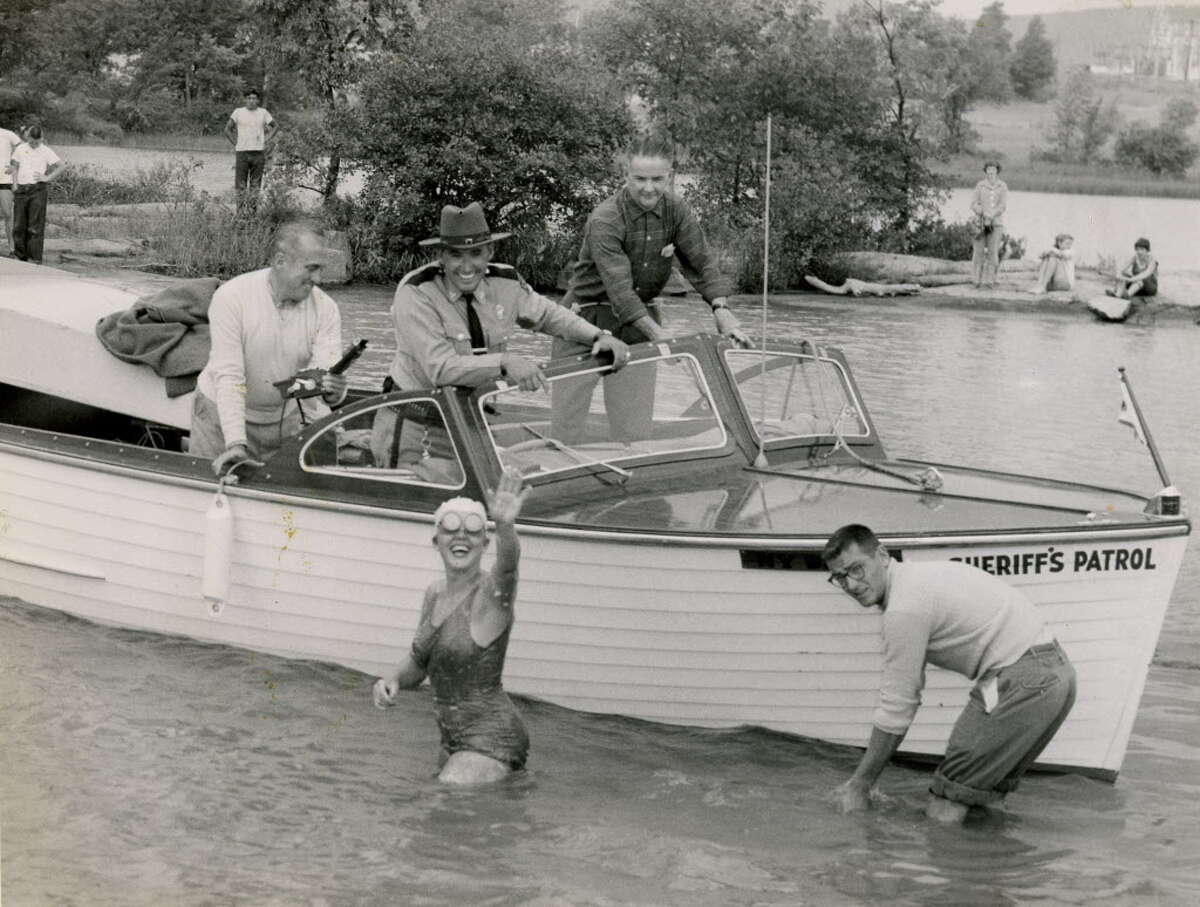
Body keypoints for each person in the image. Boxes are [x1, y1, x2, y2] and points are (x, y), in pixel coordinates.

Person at [822, 524, 1076, 823]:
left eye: (856, 569)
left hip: (1022, 680)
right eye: (839, 577)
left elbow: (899, 705)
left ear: (882, 555)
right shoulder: (922, 577)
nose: (851, 585)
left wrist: (860, 785)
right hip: (1058, 675)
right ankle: (1000, 867)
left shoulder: (904, 607)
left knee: (945, 803)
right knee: (983, 799)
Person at [549, 132, 752, 441]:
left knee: (635, 431)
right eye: (639, 178)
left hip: (637, 327)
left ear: (669, 175)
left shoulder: (677, 210)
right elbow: (620, 292)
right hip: (583, 322)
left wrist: (722, 310)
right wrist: (661, 337)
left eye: (657, 179)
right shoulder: (605, 218)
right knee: (566, 429)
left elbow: (701, 264)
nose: (648, 188)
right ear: (625, 175)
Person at [373, 467, 531, 784]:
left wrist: (505, 526)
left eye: (472, 530)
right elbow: (420, 662)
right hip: (453, 741)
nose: (461, 536)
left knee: (443, 799)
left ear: (485, 544)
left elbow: (508, 569)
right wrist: (393, 679)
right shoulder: (434, 593)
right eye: (451, 528)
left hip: (491, 738)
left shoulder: (490, 596)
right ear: (437, 541)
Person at [384, 201, 630, 393]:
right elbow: (440, 368)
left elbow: (549, 315)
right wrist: (505, 362)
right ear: (441, 256)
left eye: (476, 253)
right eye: (456, 255)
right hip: (416, 414)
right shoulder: (416, 292)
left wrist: (598, 336)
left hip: (473, 412)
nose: (467, 267)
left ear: (490, 252)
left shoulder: (506, 282)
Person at [190, 220, 347, 475]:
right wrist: (235, 443)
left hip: (283, 419)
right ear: (279, 260)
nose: (318, 279)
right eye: (311, 268)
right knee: (209, 494)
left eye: (321, 269)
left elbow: (322, 376)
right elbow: (229, 376)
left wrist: (334, 393)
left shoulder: (326, 308)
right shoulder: (232, 297)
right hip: (219, 417)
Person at [9, 125, 65, 264]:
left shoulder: (46, 151)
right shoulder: (21, 148)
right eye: (31, 141)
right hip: (21, 190)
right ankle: (20, 256)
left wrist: (47, 178)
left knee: (35, 227)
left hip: (37, 190)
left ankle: (34, 258)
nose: (34, 144)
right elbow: (14, 166)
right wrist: (14, 184)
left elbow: (62, 166)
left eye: (37, 142)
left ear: (42, 139)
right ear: (27, 137)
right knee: (18, 225)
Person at [224, 89, 277, 211]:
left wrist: (267, 139)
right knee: (240, 185)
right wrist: (236, 143)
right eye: (249, 98)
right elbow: (227, 129)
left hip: (258, 153)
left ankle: (253, 213)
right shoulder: (238, 112)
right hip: (242, 153)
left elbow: (275, 126)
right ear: (245, 100)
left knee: (255, 185)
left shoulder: (263, 113)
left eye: (254, 98)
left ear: (258, 100)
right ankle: (240, 213)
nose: (252, 101)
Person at [969, 161, 1008, 289]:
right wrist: (982, 212)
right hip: (979, 224)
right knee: (978, 251)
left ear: (997, 171)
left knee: (993, 251)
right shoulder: (980, 185)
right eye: (989, 170)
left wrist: (992, 214)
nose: (991, 172)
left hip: (996, 223)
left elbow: (1003, 206)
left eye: (993, 169)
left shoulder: (1002, 186)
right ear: (985, 171)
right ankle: (976, 280)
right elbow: (973, 203)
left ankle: (990, 280)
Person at [0, 123, 23, 255]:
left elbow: (24, 150)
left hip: (4, 180)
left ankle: (12, 248)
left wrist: (14, 166)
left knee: (7, 213)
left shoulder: (8, 134)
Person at [804, 275, 921, 297]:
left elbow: (857, 293)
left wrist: (858, 294)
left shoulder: (849, 284)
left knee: (889, 289)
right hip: (872, 287)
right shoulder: (848, 284)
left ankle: (914, 287)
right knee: (890, 289)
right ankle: (912, 288)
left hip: (874, 288)